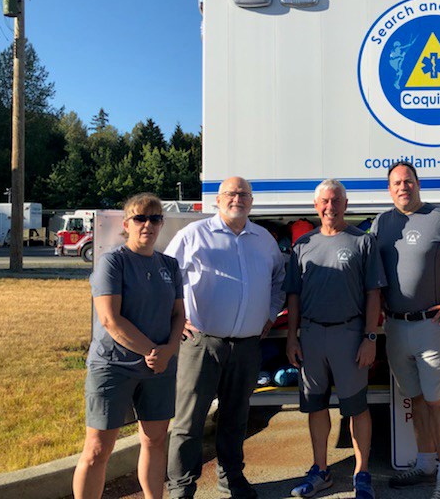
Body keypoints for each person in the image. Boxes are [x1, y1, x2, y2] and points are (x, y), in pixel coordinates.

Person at [165, 177, 285, 499]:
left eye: (244, 194)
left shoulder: (263, 239)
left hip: (247, 347)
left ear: (252, 201)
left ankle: (231, 478)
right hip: (201, 344)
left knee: (235, 417)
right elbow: (166, 277)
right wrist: (175, 318)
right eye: (230, 193)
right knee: (188, 422)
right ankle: (181, 487)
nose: (237, 198)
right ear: (217, 200)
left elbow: (279, 280)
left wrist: (271, 314)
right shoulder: (193, 235)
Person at [73, 193, 185, 499]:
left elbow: (179, 315)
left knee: (155, 440)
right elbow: (110, 319)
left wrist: (168, 351)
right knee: (97, 449)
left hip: (158, 368)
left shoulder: (169, 265)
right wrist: (154, 352)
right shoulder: (113, 262)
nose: (148, 224)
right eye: (140, 218)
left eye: (155, 218)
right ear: (127, 224)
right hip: (114, 366)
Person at [285, 179, 386, 499]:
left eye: (336, 201)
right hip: (312, 335)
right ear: (316, 206)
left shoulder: (362, 241)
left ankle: (362, 473)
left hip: (350, 333)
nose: (330, 207)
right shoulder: (303, 245)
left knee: (356, 407)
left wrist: (370, 337)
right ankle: (320, 470)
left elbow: (374, 294)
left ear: (346, 204)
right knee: (315, 407)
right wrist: (291, 338)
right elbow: (294, 297)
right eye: (324, 202)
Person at [370, 161, 440, 499]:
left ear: (418, 184)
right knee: (417, 399)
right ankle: (425, 465)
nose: (402, 187)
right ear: (389, 188)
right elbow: (373, 270)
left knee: (437, 400)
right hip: (395, 325)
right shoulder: (383, 222)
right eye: (396, 183)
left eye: (408, 181)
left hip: (431, 325)